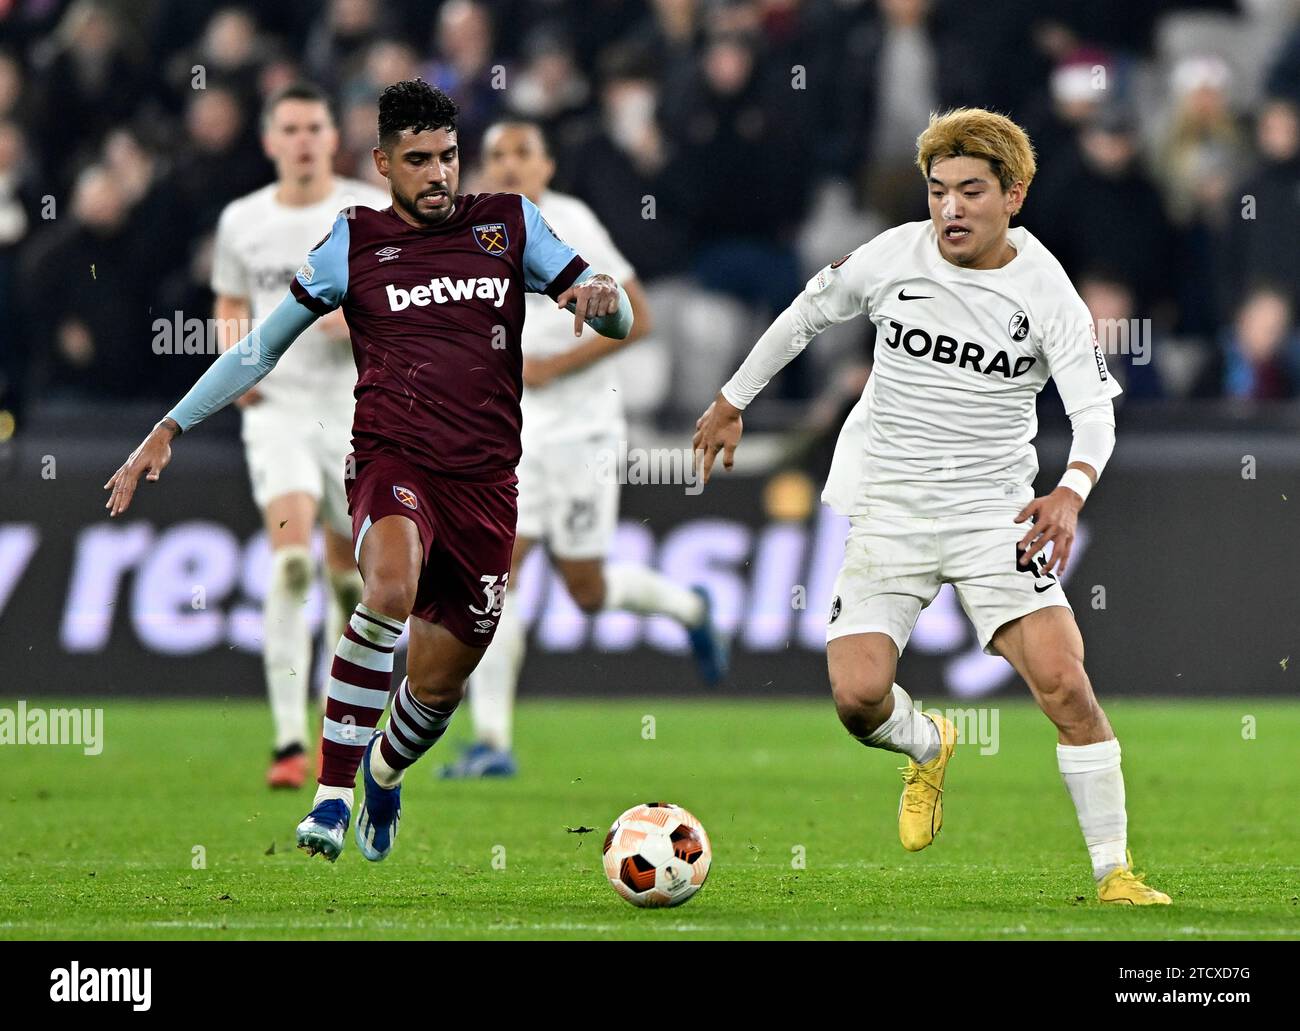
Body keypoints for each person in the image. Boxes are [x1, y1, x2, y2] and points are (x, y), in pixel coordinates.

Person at [103, 79, 632, 865]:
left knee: (436, 687)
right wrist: (169, 424)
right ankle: (329, 794)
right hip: (393, 458)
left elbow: (615, 317)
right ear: (382, 163)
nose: (439, 174)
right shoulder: (352, 242)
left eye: (448, 157)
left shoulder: (508, 224)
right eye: (418, 160)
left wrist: (602, 296)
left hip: (488, 485)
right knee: (387, 588)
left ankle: (384, 772)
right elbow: (260, 346)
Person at [692, 108, 1170, 905]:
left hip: (993, 515)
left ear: (1014, 196)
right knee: (856, 696)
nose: (950, 207)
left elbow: (1095, 414)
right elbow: (810, 308)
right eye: (938, 190)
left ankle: (1114, 870)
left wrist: (1070, 490)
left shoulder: (1047, 290)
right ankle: (929, 742)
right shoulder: (894, 254)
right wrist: (733, 398)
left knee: (1065, 684)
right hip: (891, 508)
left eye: (971, 191)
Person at [441, 119, 727, 778]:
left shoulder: (573, 222)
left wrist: (554, 366)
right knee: (492, 577)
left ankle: (690, 607)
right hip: (508, 435)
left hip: (580, 433)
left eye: (523, 153)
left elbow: (640, 318)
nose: (510, 164)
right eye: (498, 155)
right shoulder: (474, 232)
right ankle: (492, 741)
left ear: (547, 167)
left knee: (587, 591)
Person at [210, 82, 389, 789]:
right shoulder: (242, 220)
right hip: (278, 410)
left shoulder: (362, 210)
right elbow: (229, 296)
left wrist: (355, 318)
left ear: (329, 136)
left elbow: (393, 293)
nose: (305, 138)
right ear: (270, 140)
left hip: (355, 410)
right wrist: (235, 360)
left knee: (351, 578)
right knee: (291, 562)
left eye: (315, 125)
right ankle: (288, 740)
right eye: (291, 127)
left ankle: (333, 723)